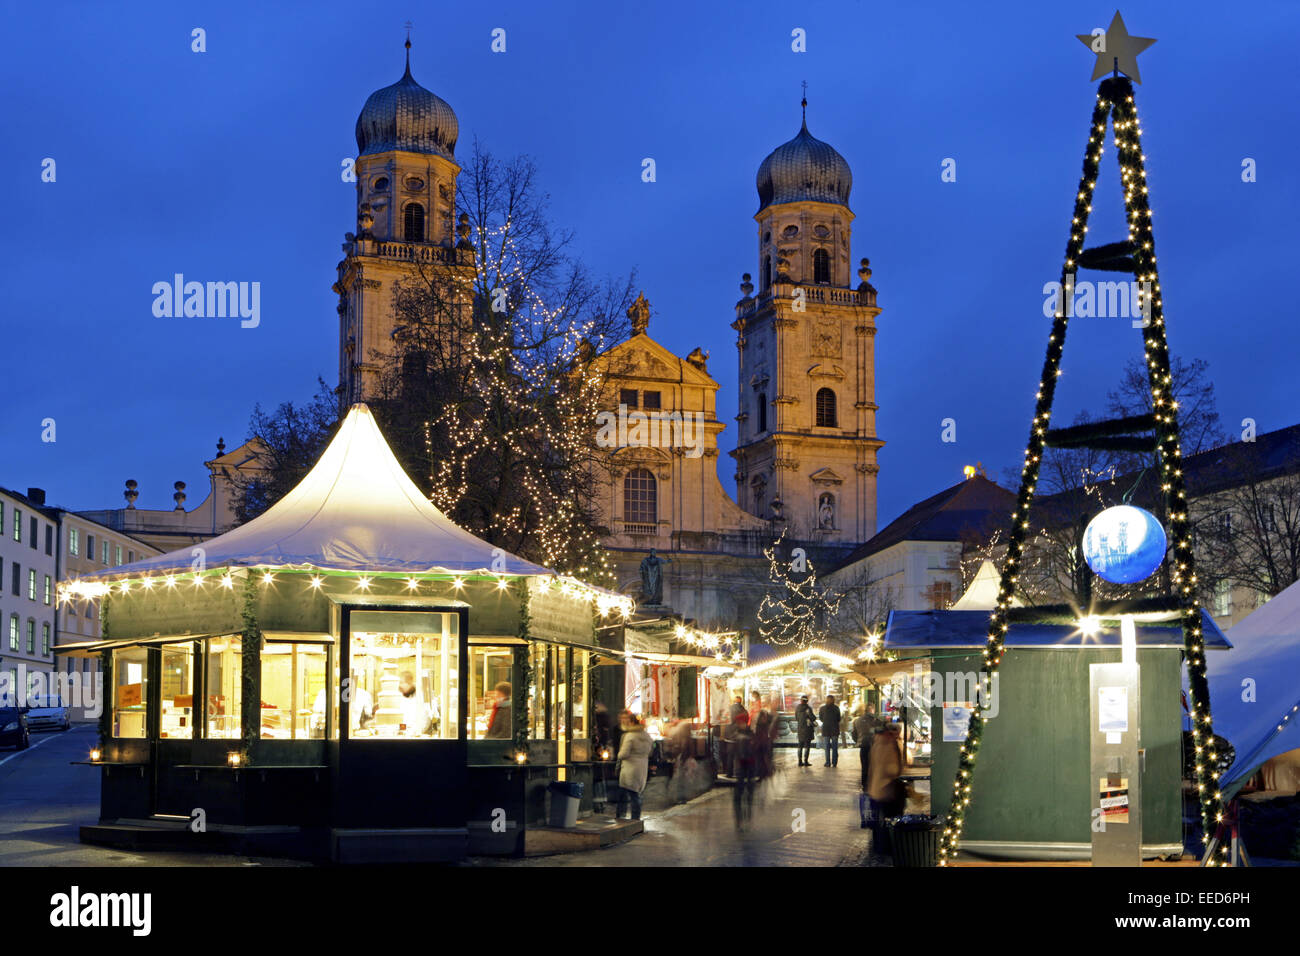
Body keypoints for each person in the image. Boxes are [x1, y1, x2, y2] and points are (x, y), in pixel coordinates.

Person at [867, 722, 907, 850]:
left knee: (880, 820)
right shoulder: (888, 744)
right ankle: (887, 847)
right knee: (890, 820)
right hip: (887, 788)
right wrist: (899, 770)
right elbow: (890, 768)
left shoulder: (877, 743)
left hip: (876, 788)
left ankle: (879, 846)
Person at [615, 710, 653, 820]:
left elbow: (623, 754)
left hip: (629, 768)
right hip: (642, 766)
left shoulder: (630, 736)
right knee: (635, 793)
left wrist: (619, 755)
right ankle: (636, 818)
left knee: (624, 793)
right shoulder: (646, 736)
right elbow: (650, 751)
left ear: (631, 722)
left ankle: (620, 817)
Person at [853, 704, 885, 826]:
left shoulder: (858, 720)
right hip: (873, 746)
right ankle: (872, 785)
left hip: (863, 746)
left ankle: (865, 785)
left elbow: (854, 734)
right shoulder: (876, 721)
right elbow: (881, 731)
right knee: (873, 766)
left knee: (864, 766)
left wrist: (859, 741)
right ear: (872, 710)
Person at [730, 712, 758, 831]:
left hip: (749, 767)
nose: (738, 724)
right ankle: (739, 819)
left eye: (740, 722)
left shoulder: (748, 735)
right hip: (741, 768)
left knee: (748, 793)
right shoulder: (738, 734)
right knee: (739, 794)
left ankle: (747, 816)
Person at [396, 670, 435, 736]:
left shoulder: (422, 695)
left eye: (402, 683)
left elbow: (425, 720)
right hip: (405, 734)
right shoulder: (401, 696)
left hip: (419, 735)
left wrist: (413, 732)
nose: (400, 686)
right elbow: (401, 719)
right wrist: (403, 731)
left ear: (410, 683)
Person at [818, 694, 842, 767]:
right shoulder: (836, 708)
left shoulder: (822, 708)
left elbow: (821, 718)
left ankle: (827, 762)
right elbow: (839, 719)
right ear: (833, 700)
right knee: (835, 747)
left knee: (827, 747)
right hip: (835, 729)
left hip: (826, 730)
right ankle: (834, 763)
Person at [794, 694, 817, 766]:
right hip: (807, 729)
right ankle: (806, 761)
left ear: (801, 700)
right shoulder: (808, 708)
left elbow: (796, 718)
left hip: (800, 729)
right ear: (807, 701)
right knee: (807, 746)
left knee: (800, 745)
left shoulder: (797, 708)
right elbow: (813, 718)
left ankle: (800, 761)